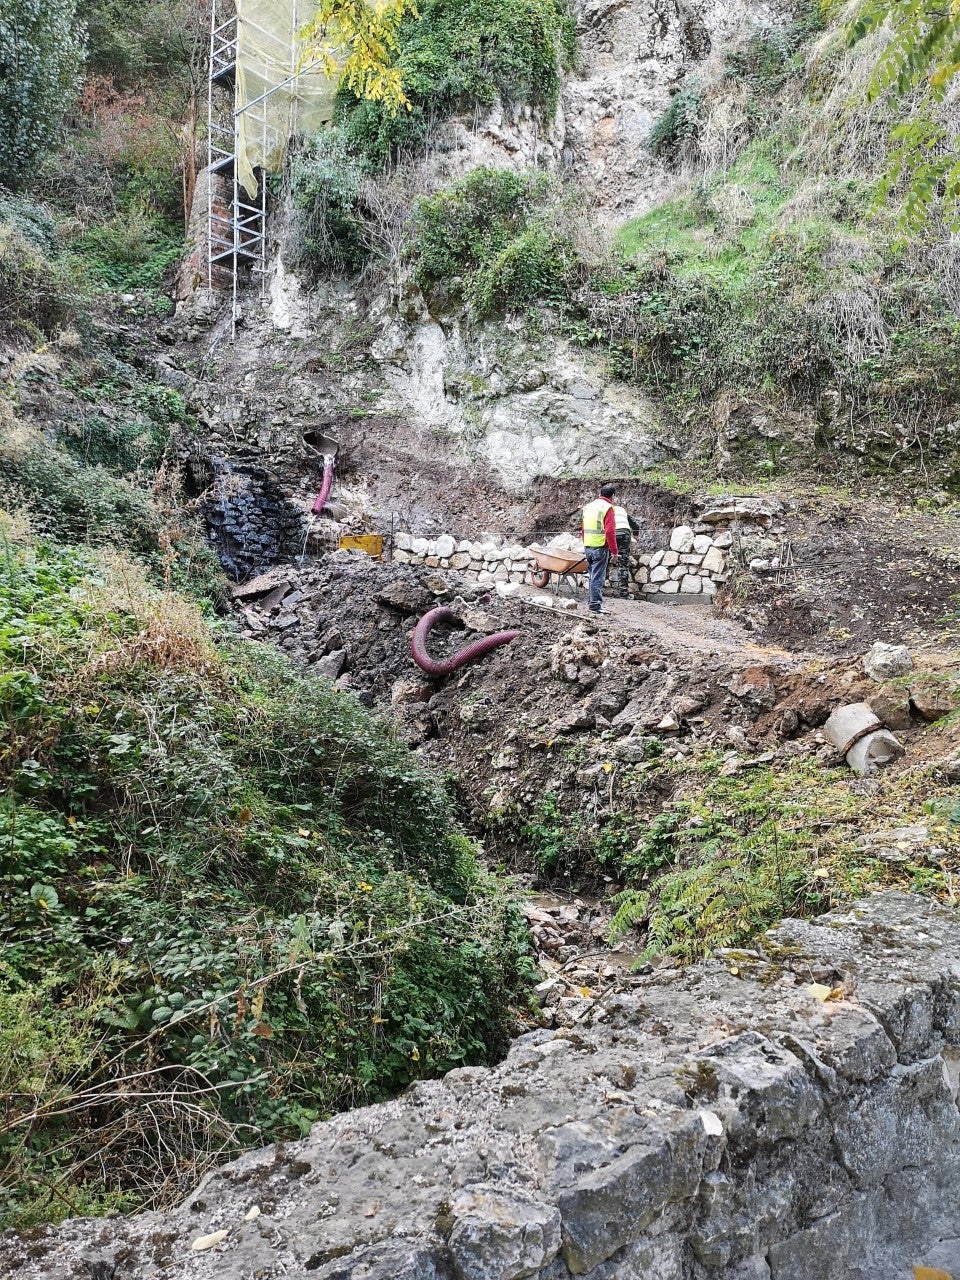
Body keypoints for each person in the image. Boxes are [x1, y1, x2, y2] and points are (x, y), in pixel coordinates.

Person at [581, 482, 618, 613]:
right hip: (600, 547)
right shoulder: (607, 508)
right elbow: (609, 531)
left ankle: (592, 602)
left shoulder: (588, 507)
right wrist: (614, 551)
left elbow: (583, 529)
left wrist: (585, 542)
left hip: (588, 546)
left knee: (592, 576)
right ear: (612, 496)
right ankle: (595, 605)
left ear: (599, 493)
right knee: (597, 577)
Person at [613, 501, 641, 599]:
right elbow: (635, 525)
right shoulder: (622, 510)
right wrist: (635, 538)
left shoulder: (606, 510)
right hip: (625, 534)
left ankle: (600, 589)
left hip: (612, 534)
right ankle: (624, 593)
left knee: (604, 560)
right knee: (623, 562)